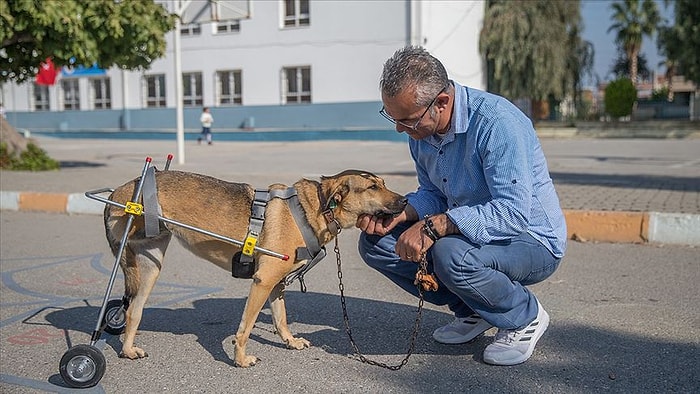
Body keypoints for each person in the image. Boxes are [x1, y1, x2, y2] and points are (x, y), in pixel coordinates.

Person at [356, 46, 567, 366]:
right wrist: (403, 212)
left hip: (532, 239)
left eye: (406, 120)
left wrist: (432, 226)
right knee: (376, 243)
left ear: (441, 103)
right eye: (392, 117)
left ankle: (524, 316)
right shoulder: (421, 130)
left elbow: (513, 213)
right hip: (470, 233)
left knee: (449, 254)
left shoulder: (498, 123)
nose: (400, 129)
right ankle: (474, 309)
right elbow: (434, 194)